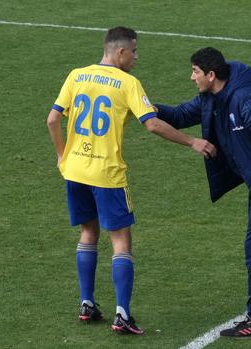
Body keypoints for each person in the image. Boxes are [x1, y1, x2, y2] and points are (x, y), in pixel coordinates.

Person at [46, 27, 216, 335]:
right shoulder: (127, 83)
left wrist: (62, 156)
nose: (136, 58)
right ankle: (122, 313)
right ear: (121, 52)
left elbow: (53, 119)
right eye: (134, 52)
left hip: (75, 171)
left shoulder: (76, 75)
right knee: (121, 241)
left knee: (88, 232)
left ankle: (87, 303)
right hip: (107, 174)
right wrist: (192, 142)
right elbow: (152, 124)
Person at [155, 47, 251, 339]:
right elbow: (182, 114)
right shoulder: (211, 99)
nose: (191, 77)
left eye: (195, 72)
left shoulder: (246, 99)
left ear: (211, 75)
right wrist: (146, 107)